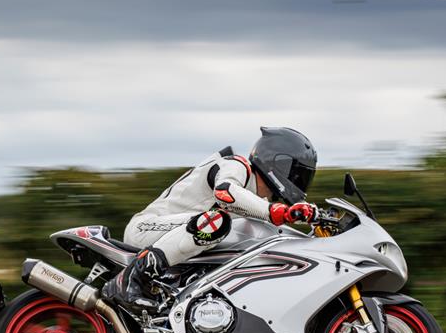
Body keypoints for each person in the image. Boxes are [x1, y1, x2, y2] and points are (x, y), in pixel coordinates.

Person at [102, 126, 319, 311]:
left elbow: (273, 218)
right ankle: (130, 279)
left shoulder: (259, 201)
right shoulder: (237, 166)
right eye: (298, 173)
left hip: (178, 238)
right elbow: (225, 192)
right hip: (147, 229)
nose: (299, 180)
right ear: (278, 162)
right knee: (215, 222)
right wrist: (277, 211)